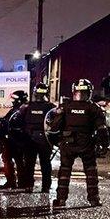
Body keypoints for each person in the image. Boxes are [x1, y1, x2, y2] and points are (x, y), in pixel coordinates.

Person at [47, 79, 109, 208]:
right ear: (89, 92)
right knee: (91, 172)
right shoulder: (94, 108)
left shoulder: (65, 107)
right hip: (87, 144)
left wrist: (56, 141)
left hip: (68, 143)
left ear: (74, 91)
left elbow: (54, 127)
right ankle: (94, 199)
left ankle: (61, 199)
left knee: (64, 172)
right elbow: (102, 129)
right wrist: (104, 145)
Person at [11, 83, 56, 192]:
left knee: (31, 164)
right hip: (40, 140)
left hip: (34, 139)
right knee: (42, 164)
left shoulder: (27, 106)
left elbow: (18, 122)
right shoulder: (50, 107)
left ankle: (31, 185)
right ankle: (44, 186)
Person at [0, 91, 29, 190]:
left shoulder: (24, 110)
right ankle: (12, 181)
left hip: (17, 140)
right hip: (11, 139)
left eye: (14, 99)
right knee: (9, 160)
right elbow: (6, 120)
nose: (13, 101)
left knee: (19, 161)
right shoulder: (17, 109)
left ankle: (21, 182)